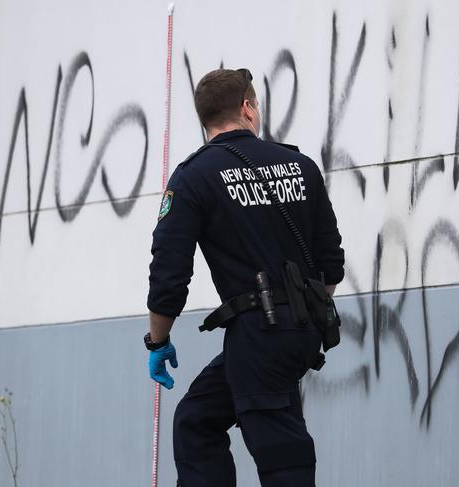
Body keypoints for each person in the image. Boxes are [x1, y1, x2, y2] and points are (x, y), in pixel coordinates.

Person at [145, 68, 344, 487]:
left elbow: (169, 272)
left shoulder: (193, 177)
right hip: (300, 327)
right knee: (197, 419)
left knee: (280, 448)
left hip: (258, 332)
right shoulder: (300, 165)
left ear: (205, 120)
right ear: (248, 108)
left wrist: (157, 341)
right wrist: (305, 310)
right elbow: (331, 260)